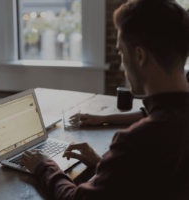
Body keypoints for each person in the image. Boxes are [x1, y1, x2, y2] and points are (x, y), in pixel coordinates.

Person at [20, 0, 189, 199]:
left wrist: (44, 165)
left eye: (121, 52)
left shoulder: (136, 142)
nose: (122, 65)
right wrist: (106, 165)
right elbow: (151, 180)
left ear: (140, 56)